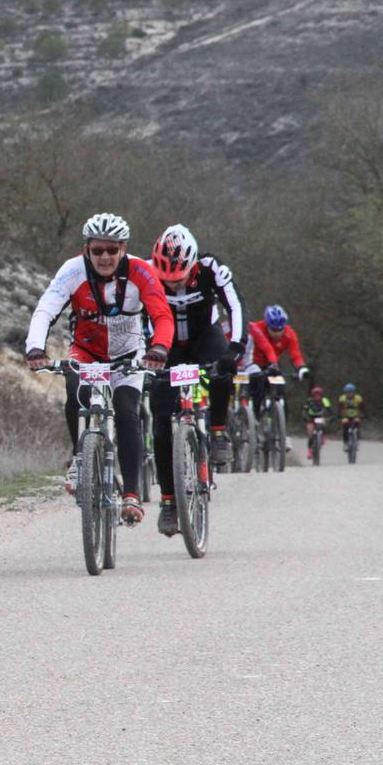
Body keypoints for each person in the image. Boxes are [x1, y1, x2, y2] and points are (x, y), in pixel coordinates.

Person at [25, 213, 173, 527]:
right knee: (74, 387)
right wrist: (35, 347)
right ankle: (79, 458)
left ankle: (131, 494)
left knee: (126, 410)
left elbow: (162, 315)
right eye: (97, 250)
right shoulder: (72, 270)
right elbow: (46, 309)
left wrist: (159, 348)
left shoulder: (141, 272)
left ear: (123, 249)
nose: (104, 257)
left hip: (128, 355)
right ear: (86, 249)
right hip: (88, 351)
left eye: (112, 250)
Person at [147, 224, 248, 536]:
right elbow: (136, 313)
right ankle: (168, 502)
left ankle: (218, 431)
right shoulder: (146, 272)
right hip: (165, 346)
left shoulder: (211, 268)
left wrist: (236, 348)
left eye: (179, 277)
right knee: (161, 421)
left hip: (205, 336)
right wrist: (146, 352)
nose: (173, 284)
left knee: (222, 373)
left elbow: (235, 304)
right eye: (168, 279)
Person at [246, 304, 313, 418]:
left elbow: (295, 354)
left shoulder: (289, 334)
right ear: (267, 325)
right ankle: (254, 417)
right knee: (257, 390)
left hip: (272, 364)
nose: (277, 333)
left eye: (280, 329)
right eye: (273, 330)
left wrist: (301, 368)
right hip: (253, 363)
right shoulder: (257, 328)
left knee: (281, 390)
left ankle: (281, 424)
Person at [303, 385, 333, 461]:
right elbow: (304, 410)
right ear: (313, 395)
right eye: (315, 395)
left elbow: (329, 409)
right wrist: (305, 417)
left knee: (323, 423)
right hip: (311, 418)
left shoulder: (325, 400)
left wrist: (331, 417)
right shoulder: (309, 401)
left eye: (319, 395)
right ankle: (309, 451)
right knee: (310, 434)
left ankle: (322, 436)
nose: (317, 397)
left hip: (320, 417)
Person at [337, 383, 366, 450]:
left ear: (354, 392)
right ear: (345, 393)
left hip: (355, 415)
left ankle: (357, 441)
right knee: (345, 428)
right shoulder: (342, 398)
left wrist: (365, 414)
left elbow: (362, 407)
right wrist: (339, 414)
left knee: (357, 427)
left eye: (351, 392)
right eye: (347, 392)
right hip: (345, 416)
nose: (349, 394)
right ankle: (346, 443)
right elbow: (339, 408)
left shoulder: (358, 398)